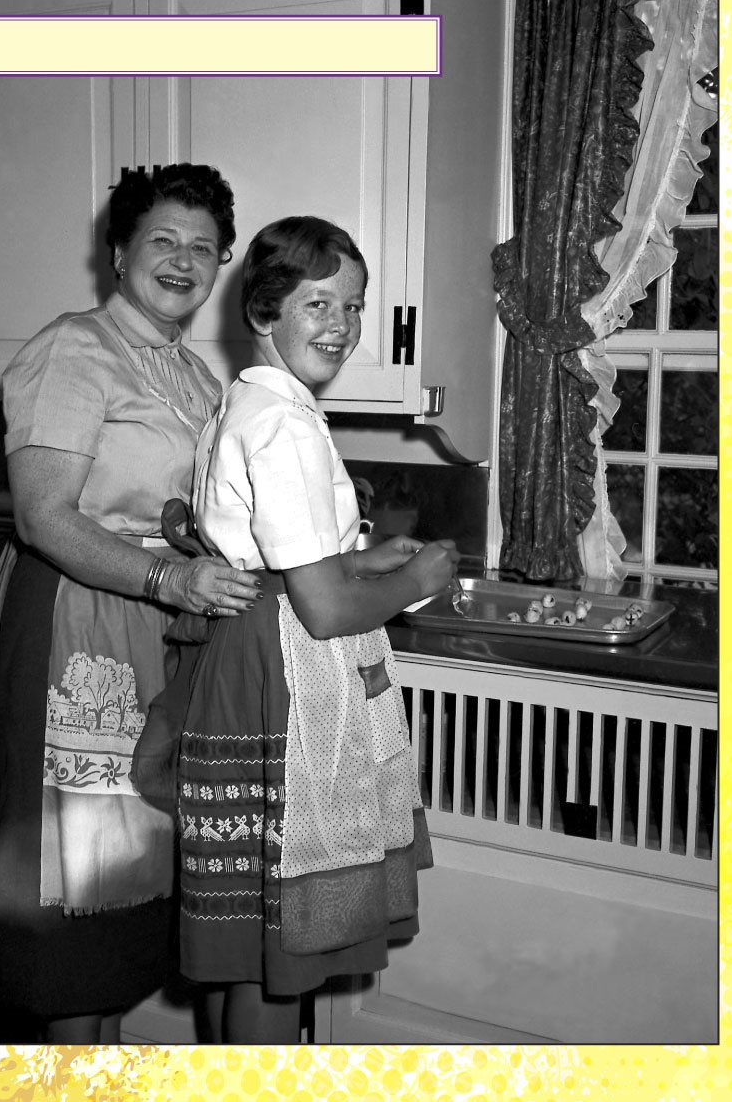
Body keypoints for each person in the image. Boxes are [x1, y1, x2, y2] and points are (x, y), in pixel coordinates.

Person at [146, 215, 459, 1043]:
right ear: (263, 312)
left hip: (244, 653)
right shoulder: (286, 424)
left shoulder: (243, 402)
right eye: (318, 303)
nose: (343, 326)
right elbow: (317, 609)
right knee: (280, 949)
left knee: (244, 934)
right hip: (283, 679)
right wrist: (413, 581)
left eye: (353, 307)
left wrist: (360, 560)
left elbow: (276, 560)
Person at [0, 163, 263, 1044]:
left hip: (162, 628)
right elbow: (44, 515)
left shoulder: (193, 372)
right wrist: (170, 580)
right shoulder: (74, 349)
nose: (184, 261)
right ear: (118, 253)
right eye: (163, 242)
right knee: (80, 893)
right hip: (81, 625)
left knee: (139, 877)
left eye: (204, 248)